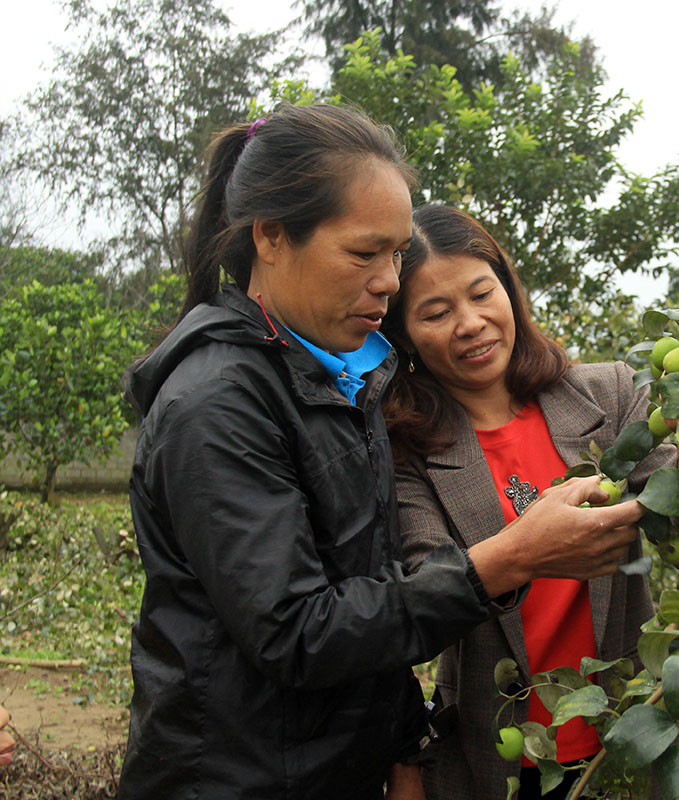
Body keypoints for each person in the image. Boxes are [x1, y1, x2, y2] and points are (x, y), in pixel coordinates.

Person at [118, 104, 644, 800]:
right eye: (365, 253)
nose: (392, 281)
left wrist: (404, 752)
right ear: (271, 235)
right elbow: (298, 633)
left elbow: (369, 587)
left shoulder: (339, 380)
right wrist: (512, 556)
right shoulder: (218, 406)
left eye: (395, 253)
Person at [381, 205, 679, 800]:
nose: (469, 323)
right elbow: (427, 592)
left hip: (632, 731)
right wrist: (527, 550)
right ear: (406, 335)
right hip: (497, 757)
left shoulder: (611, 394)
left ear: (509, 291)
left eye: (480, 294)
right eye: (436, 312)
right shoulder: (406, 451)